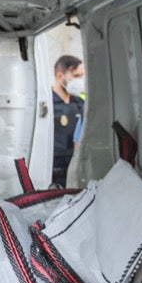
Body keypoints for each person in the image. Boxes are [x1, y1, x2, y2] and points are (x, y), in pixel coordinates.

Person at [52, 55, 85, 187]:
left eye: (82, 76)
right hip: (52, 168)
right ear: (60, 77)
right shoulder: (47, 103)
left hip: (74, 167)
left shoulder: (80, 103)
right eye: (76, 76)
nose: (80, 81)